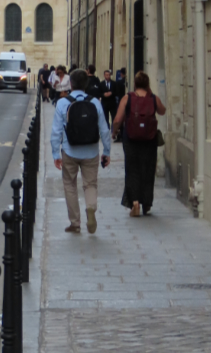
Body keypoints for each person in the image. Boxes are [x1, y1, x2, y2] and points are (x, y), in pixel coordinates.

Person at [50, 69, 111, 234]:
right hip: (91, 151)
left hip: (70, 150)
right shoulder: (95, 103)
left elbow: (56, 132)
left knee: (69, 185)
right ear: (86, 85)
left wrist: (56, 154)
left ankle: (75, 222)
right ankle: (90, 208)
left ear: (71, 83)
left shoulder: (63, 103)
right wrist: (106, 151)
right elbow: (104, 130)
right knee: (90, 184)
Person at [113, 71, 166, 216]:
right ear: (148, 84)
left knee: (132, 170)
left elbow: (118, 119)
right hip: (149, 140)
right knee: (148, 170)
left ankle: (134, 202)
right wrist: (151, 96)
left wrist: (114, 131)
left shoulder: (127, 98)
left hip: (131, 139)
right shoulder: (153, 99)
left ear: (135, 83)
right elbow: (162, 111)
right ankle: (147, 203)